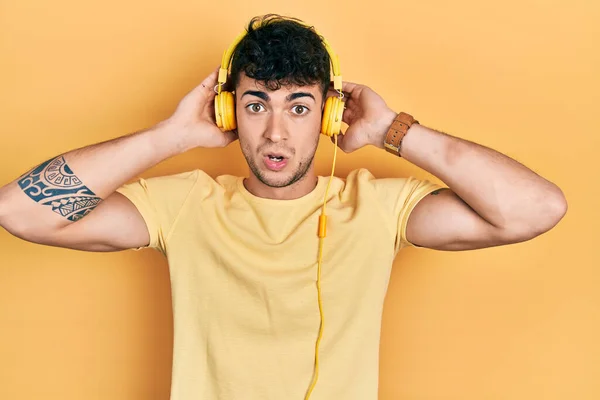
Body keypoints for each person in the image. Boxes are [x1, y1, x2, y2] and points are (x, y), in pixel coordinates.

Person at [0, 14, 567, 400]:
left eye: (299, 107)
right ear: (228, 114)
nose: (275, 134)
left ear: (329, 115)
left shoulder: (375, 207)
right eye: (255, 105)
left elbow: (536, 208)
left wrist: (393, 130)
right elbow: (20, 212)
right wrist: (170, 136)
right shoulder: (185, 205)